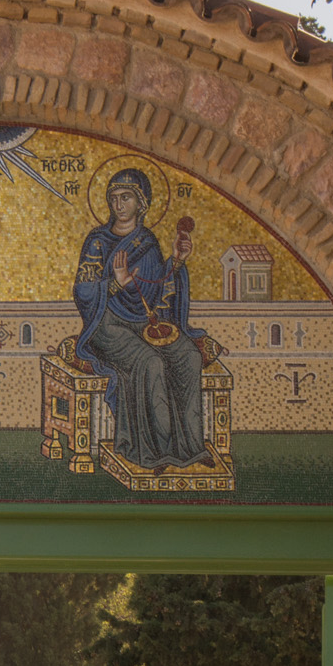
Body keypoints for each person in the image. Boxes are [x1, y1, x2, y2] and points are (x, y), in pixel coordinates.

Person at [70, 168, 216, 470]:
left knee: (187, 356)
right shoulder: (97, 241)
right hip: (107, 325)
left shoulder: (147, 240)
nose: (118, 204)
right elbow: (83, 291)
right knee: (150, 362)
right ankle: (154, 451)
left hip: (143, 322)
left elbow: (156, 290)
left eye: (126, 197)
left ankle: (190, 447)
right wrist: (114, 284)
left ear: (142, 203)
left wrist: (176, 261)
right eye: (113, 198)